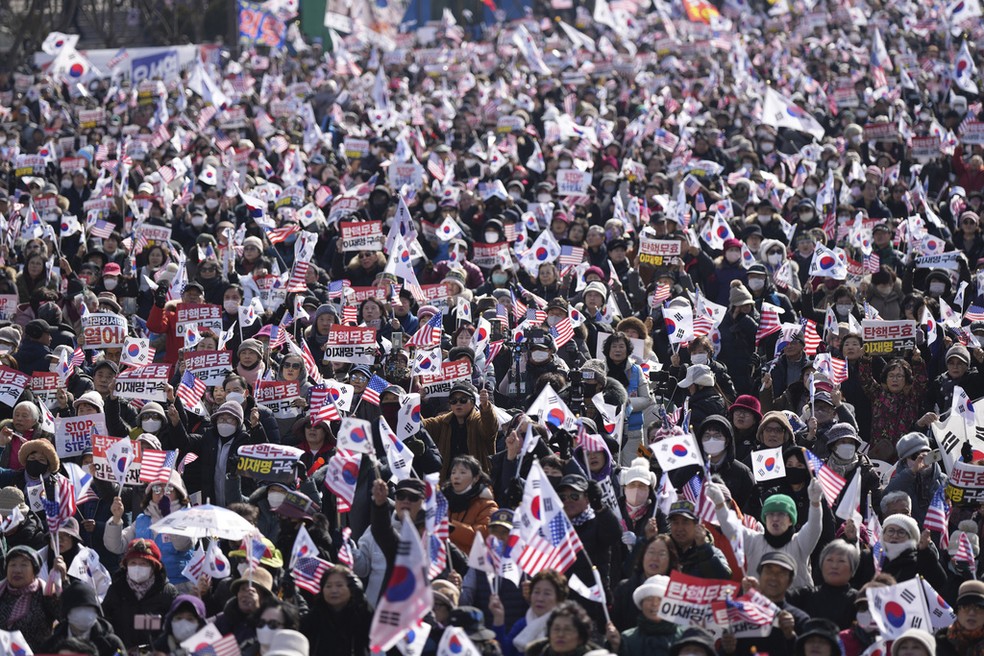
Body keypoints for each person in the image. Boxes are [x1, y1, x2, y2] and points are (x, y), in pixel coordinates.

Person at [102, 538, 179, 649]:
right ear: (126, 565)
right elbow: (106, 623)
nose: (137, 568)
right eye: (133, 563)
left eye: (143, 564)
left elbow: (174, 628)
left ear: (154, 567)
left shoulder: (168, 593)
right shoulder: (116, 590)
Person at [422, 382, 498, 480]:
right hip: (449, 481)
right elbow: (421, 426)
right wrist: (414, 402)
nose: (458, 403)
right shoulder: (443, 421)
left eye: (463, 400)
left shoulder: (478, 420)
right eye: (453, 401)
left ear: (472, 403)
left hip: (477, 480)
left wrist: (486, 407)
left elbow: (490, 429)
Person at [490, 570, 567, 656]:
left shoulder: (563, 628)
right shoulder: (522, 624)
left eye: (547, 593)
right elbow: (503, 652)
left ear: (559, 599)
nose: (540, 598)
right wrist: (498, 618)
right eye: (536, 592)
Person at [0, 545, 63, 650]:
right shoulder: (2, 592)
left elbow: (65, 616)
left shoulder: (45, 593)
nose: (17, 570)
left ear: (34, 571)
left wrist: (63, 581)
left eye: (24, 565)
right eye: (12, 565)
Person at [39, 581, 126, 656]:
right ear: (67, 613)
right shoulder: (51, 646)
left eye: (89, 609)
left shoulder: (111, 644)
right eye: (78, 609)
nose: (84, 614)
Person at [300, 566, 372, 656]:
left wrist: (361, 600)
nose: (334, 591)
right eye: (328, 586)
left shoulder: (361, 614)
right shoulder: (313, 618)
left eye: (339, 585)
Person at [605, 574, 682, 656]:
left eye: (660, 599)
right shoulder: (628, 639)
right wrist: (616, 648)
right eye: (649, 599)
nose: (654, 604)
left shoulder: (684, 637)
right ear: (641, 604)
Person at [444, 455, 498, 552]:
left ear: (476, 478)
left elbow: (479, 536)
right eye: (453, 472)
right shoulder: (442, 501)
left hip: (471, 562)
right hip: (443, 560)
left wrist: (448, 525)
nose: (456, 476)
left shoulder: (488, 505)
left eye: (463, 472)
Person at [524, 601, 600, 656]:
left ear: (581, 637)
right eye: (556, 629)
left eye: (567, 630)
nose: (560, 634)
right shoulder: (535, 653)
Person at [936, 580, 984, 655]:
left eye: (978, 607)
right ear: (957, 612)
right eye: (965, 607)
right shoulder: (937, 646)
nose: (971, 613)